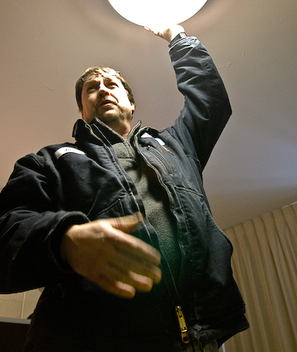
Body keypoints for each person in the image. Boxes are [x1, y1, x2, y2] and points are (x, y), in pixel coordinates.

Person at [0, 26, 249, 352]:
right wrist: (64, 241)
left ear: (131, 104)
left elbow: (210, 100)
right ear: (82, 110)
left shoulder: (176, 145)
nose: (102, 89)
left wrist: (178, 37)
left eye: (111, 83)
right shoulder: (51, 161)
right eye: (92, 88)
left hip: (202, 337)